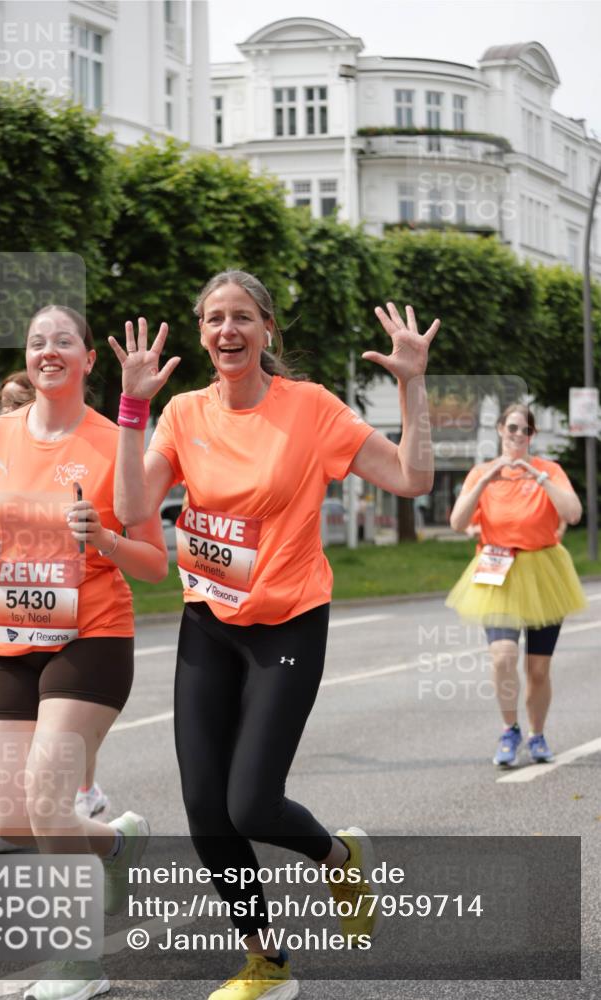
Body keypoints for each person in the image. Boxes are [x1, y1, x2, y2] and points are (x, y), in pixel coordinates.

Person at [109, 270, 439, 1000]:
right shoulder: (185, 414)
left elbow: (412, 480)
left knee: (251, 804)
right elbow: (130, 503)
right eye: (213, 319)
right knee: (204, 811)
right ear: (201, 334)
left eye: (241, 319)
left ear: (266, 331)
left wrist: (412, 386)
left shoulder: (311, 409)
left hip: (288, 622)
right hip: (208, 620)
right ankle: (266, 963)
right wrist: (134, 405)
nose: (226, 331)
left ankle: (337, 854)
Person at [0, 306, 169, 1000]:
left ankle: (77, 963)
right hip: (8, 637)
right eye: (37, 340)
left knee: (49, 798)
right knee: (14, 815)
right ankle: (116, 841)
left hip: (91, 635)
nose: (49, 350)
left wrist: (103, 537)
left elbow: (154, 565)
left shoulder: (115, 445)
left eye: (64, 341)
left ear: (86, 360)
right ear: (28, 354)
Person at [0, 373, 110, 853]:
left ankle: (82, 792)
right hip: (3, 610)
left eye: (14, 403)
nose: (6, 412)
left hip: (70, 617)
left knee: (57, 716)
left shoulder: (77, 451)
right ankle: (12, 807)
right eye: (1, 403)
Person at [446, 403, 586, 767]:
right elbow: (458, 523)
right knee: (503, 656)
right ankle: (510, 730)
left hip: (544, 572)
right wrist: (486, 480)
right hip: (498, 569)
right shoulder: (482, 472)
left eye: (525, 430)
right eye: (512, 429)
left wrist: (539, 478)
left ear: (533, 436)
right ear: (499, 430)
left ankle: (537, 735)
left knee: (538, 669)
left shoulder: (549, 470)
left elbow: (572, 513)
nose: (518, 436)